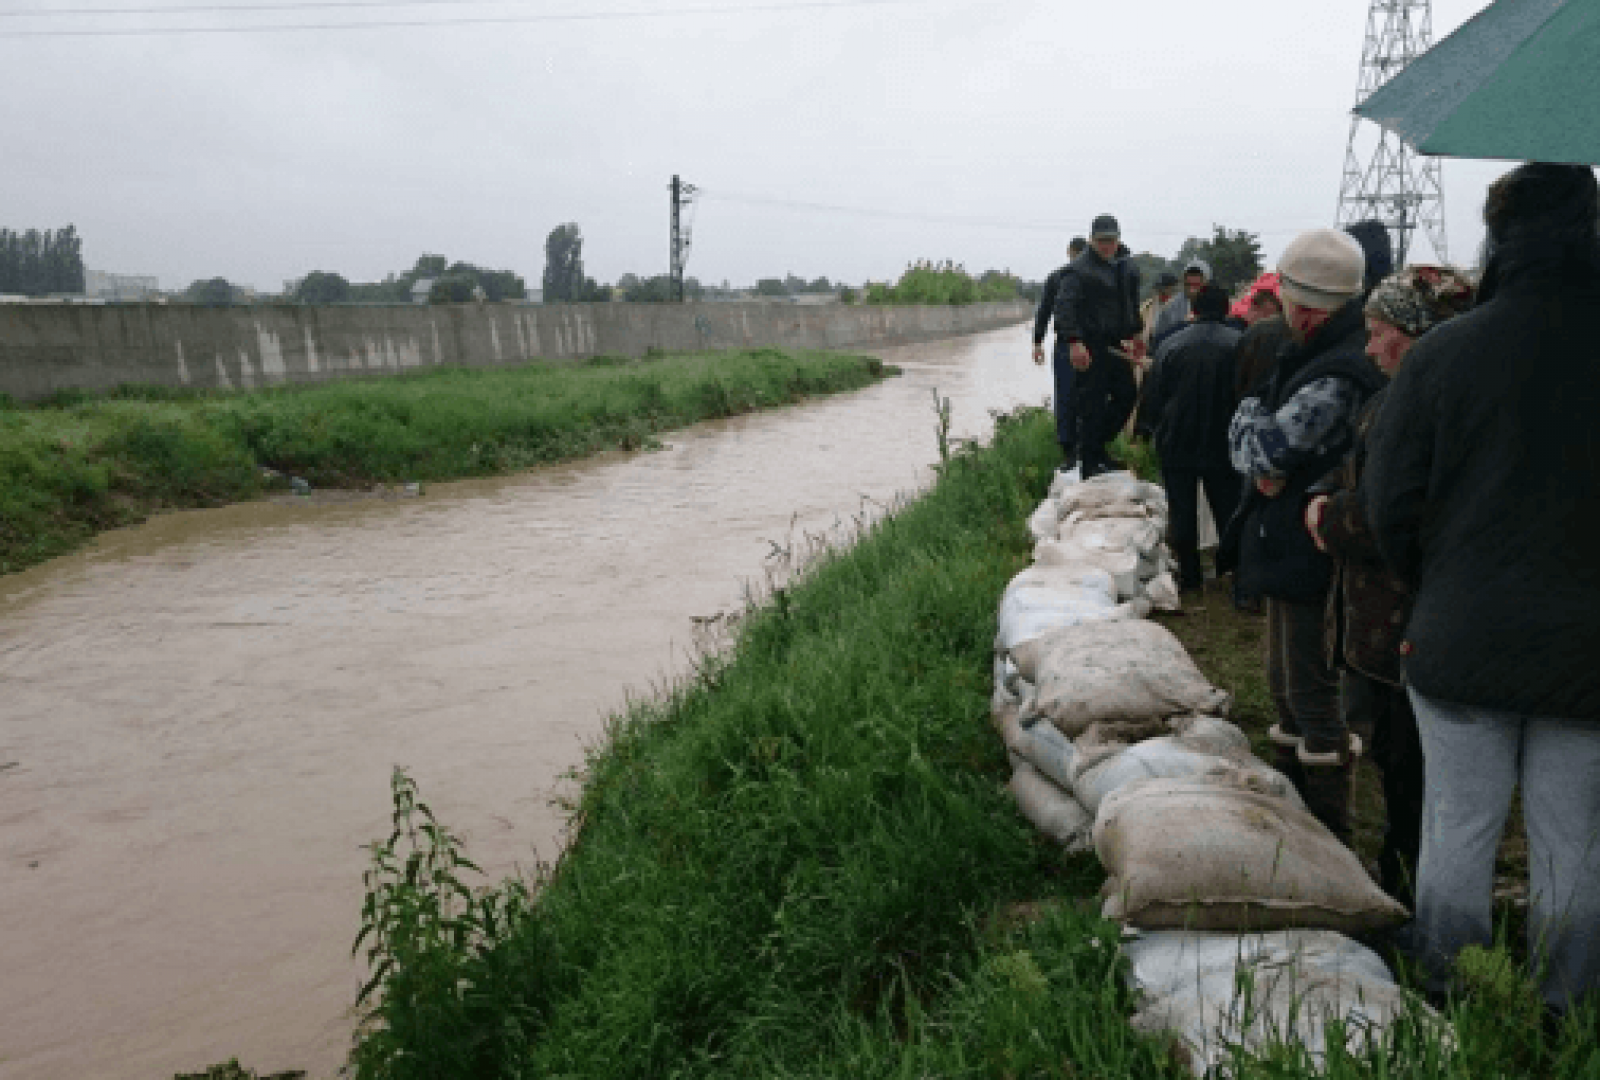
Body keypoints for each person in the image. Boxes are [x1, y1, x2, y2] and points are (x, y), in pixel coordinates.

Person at [1365, 162, 1600, 1012]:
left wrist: (1436, 582)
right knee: (1573, 841)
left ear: (1500, 240)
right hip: (1588, 655)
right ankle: (1564, 1009)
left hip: (1461, 637)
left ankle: (1450, 994)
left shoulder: (1443, 357)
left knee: (1457, 827)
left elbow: (1387, 501)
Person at [1303, 265, 1474, 907]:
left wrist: (1330, 518)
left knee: (1416, 778)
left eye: (1379, 334)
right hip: (1382, 633)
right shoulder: (1391, 398)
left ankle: (1416, 908)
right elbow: (1361, 477)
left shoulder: (1432, 409)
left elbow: (1399, 515)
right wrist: (1328, 493)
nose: (1369, 348)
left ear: (1418, 333)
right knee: (1395, 763)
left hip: (1411, 631)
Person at [1224, 227, 1386, 842]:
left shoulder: (1335, 375)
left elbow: (1263, 451)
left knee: (1310, 693)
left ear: (1311, 309)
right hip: (1287, 547)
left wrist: (1245, 417)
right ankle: (1294, 813)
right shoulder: (1314, 355)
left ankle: (1326, 837)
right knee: (1282, 686)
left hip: (1312, 554)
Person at [1136, 283, 1241, 592]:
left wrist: (1147, 428)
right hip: (1222, 441)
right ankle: (1233, 571)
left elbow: (1153, 395)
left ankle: (1190, 576)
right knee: (1228, 507)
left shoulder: (1170, 345)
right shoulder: (1239, 344)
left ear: (1193, 310)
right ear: (1226, 310)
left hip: (1176, 440)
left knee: (1182, 510)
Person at [1053, 215, 1143, 479]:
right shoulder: (1078, 270)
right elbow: (1064, 307)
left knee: (1127, 393)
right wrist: (1074, 342)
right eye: (1102, 241)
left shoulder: (1116, 267)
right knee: (1091, 403)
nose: (1107, 246)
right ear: (1092, 240)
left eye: (1112, 241)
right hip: (1089, 346)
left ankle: (1094, 447)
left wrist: (1132, 336)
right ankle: (1090, 460)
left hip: (1112, 345)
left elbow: (1123, 307)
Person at [1033, 237, 1090, 467]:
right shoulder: (1058, 278)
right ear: (1069, 252)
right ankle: (1069, 451)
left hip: (1091, 345)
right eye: (1075, 253)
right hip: (1067, 344)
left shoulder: (1093, 277)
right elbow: (1044, 311)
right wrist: (1037, 341)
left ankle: (1086, 448)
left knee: (1088, 397)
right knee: (1066, 397)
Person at [1149, 258, 1211, 346]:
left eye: (1197, 285)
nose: (1192, 290)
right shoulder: (1171, 307)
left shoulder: (1216, 304)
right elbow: (1159, 337)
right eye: (1189, 284)